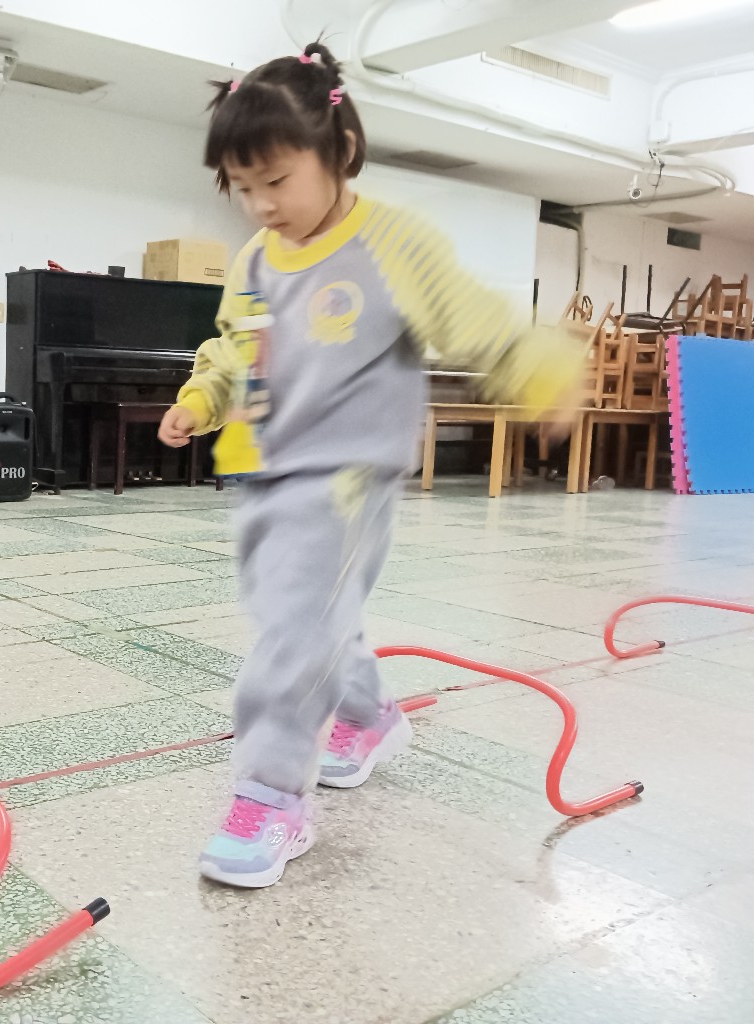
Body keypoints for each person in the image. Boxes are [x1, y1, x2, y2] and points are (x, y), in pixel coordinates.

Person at [158, 43, 581, 888]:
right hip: (267, 465)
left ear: (340, 151)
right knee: (306, 612)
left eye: (277, 180)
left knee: (294, 627)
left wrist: (543, 375)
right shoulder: (254, 260)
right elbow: (235, 347)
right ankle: (369, 715)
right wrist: (202, 397)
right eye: (242, 187)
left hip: (349, 475)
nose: (260, 204)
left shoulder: (392, 243)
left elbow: (473, 318)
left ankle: (270, 796)